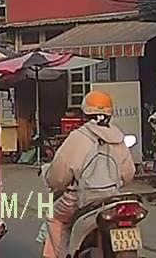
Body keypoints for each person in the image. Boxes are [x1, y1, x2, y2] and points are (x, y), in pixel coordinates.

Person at [40, 90, 137, 258]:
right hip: (112, 199)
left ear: (85, 114)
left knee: (54, 217)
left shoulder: (78, 137)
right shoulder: (118, 138)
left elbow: (58, 178)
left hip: (80, 201)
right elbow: (128, 175)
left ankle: (58, 255)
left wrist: (49, 177)